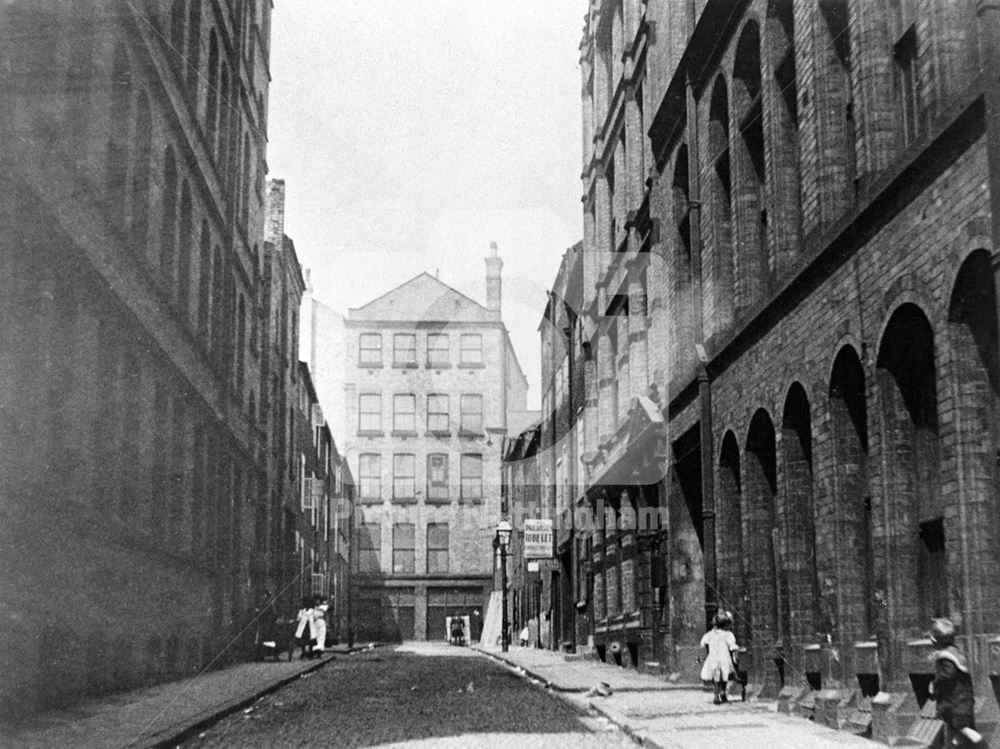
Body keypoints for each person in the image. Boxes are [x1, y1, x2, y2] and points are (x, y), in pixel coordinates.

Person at [927, 618, 983, 746]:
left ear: (935, 641)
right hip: (961, 700)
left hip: (954, 703)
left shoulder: (945, 657)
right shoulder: (955, 653)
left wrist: (935, 684)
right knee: (956, 734)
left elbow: (947, 675)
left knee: (964, 729)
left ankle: (983, 745)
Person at [700, 611, 739, 705]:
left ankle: (716, 693)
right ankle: (723, 692)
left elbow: (703, 643)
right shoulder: (728, 634)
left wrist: (709, 650)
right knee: (724, 675)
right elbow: (732, 646)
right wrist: (734, 656)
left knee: (715, 675)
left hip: (713, 657)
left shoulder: (710, 634)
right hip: (724, 657)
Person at [294, 596, 315, 660]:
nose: (306, 604)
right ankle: (303, 652)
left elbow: (314, 619)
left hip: (310, 627)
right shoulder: (302, 611)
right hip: (303, 627)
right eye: (305, 603)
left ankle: (310, 653)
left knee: (310, 640)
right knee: (302, 641)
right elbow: (298, 618)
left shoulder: (312, 611)